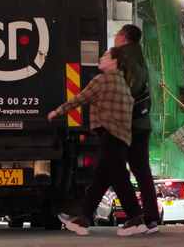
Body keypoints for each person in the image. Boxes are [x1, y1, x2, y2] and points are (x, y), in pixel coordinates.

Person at [48, 48, 146, 236]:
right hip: (121, 137)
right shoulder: (123, 84)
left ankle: (136, 219)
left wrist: (56, 112)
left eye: (105, 56)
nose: (101, 58)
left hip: (109, 134)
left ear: (114, 62)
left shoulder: (102, 81)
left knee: (120, 179)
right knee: (101, 179)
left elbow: (79, 99)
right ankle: (82, 219)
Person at [112, 24, 160, 234]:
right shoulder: (139, 54)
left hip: (129, 123)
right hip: (141, 123)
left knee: (114, 168)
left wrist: (123, 98)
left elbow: (135, 80)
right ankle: (149, 217)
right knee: (141, 171)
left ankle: (137, 216)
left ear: (123, 37)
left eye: (116, 35)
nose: (114, 38)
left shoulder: (125, 55)